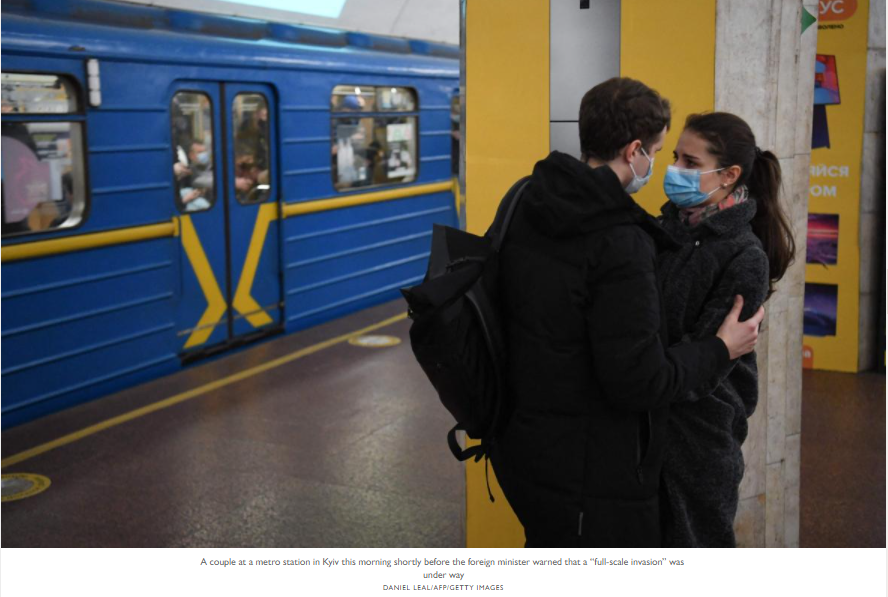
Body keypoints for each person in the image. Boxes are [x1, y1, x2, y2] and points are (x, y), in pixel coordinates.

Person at [488, 77, 765, 548]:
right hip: (594, 460)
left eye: (686, 161)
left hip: (530, 445)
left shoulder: (526, 197)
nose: (668, 168)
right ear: (636, 150)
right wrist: (721, 349)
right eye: (664, 153)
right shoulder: (624, 239)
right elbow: (640, 377)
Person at [656, 112, 795, 547]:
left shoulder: (744, 256)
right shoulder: (667, 229)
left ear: (730, 175)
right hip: (652, 429)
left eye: (690, 162)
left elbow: (706, 362)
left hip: (699, 444)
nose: (675, 168)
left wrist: (638, 367)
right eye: (676, 156)